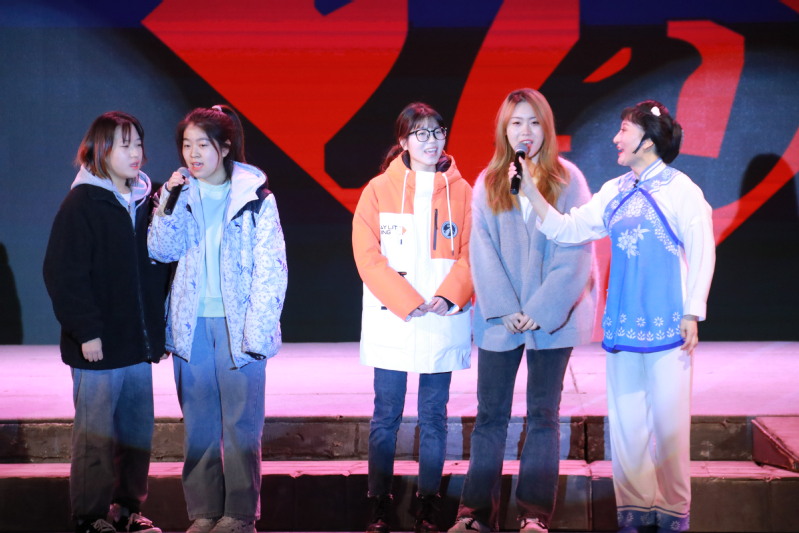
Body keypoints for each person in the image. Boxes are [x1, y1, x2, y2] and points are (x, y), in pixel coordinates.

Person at [523, 100, 715, 533]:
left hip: (669, 325)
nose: (616, 138)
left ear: (647, 139)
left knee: (669, 427)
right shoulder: (615, 190)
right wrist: (533, 195)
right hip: (624, 325)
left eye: (624, 130)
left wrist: (692, 311)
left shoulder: (681, 190)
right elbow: (570, 229)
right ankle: (635, 512)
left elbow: (702, 251)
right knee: (627, 429)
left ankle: (673, 515)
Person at [447, 89, 596, 533]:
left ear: (545, 129)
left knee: (543, 415)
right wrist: (505, 308)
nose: (525, 131)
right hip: (502, 320)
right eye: (516, 123)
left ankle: (534, 514)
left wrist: (541, 308)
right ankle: (474, 514)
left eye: (533, 122)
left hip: (552, 321)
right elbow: (480, 250)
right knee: (490, 416)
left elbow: (576, 252)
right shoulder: (489, 181)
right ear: (504, 130)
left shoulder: (569, 180)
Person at [147, 105, 288, 533]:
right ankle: (205, 512)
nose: (193, 154)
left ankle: (240, 515)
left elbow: (272, 269)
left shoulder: (256, 198)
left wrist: (257, 333)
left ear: (225, 148)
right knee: (199, 427)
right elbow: (160, 249)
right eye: (186, 145)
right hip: (191, 326)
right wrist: (168, 202)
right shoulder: (179, 195)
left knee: (241, 427)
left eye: (203, 145)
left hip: (238, 327)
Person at [43, 111, 169, 533]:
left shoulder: (147, 201)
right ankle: (89, 516)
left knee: (136, 433)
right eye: (124, 145)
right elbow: (64, 274)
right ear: (101, 150)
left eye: (138, 144)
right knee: (95, 437)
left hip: (137, 343)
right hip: (98, 345)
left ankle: (127, 510)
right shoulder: (83, 202)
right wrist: (87, 331)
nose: (135, 153)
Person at [352, 102, 474, 533]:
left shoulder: (462, 191)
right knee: (386, 415)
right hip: (394, 318)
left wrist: (448, 296)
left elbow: (472, 252)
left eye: (438, 132)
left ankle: (428, 504)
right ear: (403, 140)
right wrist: (406, 300)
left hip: (442, 318)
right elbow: (367, 255)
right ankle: (378, 502)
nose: (432, 141)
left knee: (434, 416)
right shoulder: (378, 190)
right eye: (421, 133)